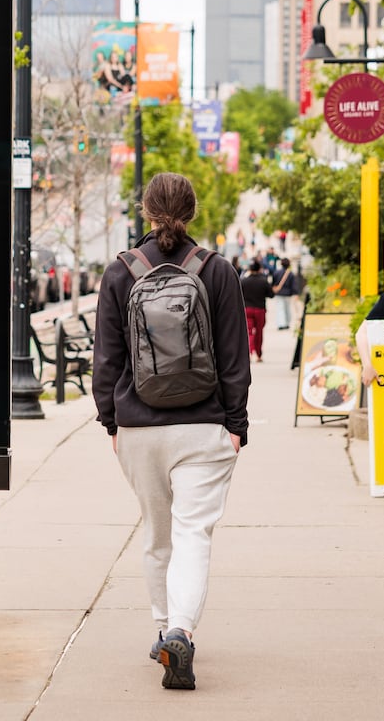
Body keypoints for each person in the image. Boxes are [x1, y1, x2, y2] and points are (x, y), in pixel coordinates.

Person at [91, 172, 251, 691]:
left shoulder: (121, 273)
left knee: (158, 535)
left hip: (140, 428)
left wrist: (111, 422)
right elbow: (234, 357)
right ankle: (182, 628)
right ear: (193, 212)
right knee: (193, 534)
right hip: (203, 430)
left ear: (145, 211)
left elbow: (107, 360)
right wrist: (236, 425)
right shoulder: (218, 270)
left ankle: (163, 629)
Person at [239, 259, 273, 362]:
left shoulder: (243, 281)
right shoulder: (263, 281)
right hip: (260, 309)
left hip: (247, 309)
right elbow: (271, 294)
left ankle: (249, 352)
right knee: (259, 332)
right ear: (259, 269)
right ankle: (258, 354)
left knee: (248, 332)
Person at [271, 257, 298, 330]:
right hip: (287, 294)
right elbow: (293, 285)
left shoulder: (276, 272)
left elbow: (273, 283)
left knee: (280, 309)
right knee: (287, 308)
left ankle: (281, 324)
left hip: (279, 293)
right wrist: (295, 293)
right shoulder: (290, 274)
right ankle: (287, 323)